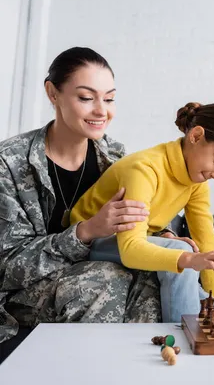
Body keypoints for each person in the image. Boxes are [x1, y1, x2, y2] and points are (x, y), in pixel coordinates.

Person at [0, 47, 164, 348]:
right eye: (86, 98)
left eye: (110, 98)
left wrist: (164, 235)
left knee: (150, 275)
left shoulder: (115, 157)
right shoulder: (8, 163)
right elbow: (6, 267)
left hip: (92, 274)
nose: (102, 110)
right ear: (53, 93)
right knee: (103, 279)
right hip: (19, 293)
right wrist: (85, 232)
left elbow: (139, 220)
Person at [70, 102, 214, 322]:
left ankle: (204, 331)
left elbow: (207, 244)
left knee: (207, 304)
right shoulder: (144, 169)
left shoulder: (196, 182)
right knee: (182, 250)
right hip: (88, 243)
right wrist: (190, 258)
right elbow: (130, 249)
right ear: (196, 136)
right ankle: (185, 341)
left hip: (130, 239)